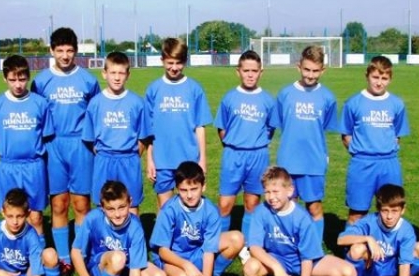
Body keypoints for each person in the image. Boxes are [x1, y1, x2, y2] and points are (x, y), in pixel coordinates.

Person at [30, 27, 100, 273]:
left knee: (81, 204)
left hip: (81, 145)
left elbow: (96, 112)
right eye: (60, 50)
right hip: (53, 145)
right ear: (52, 51)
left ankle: (81, 254)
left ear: (76, 51)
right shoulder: (40, 81)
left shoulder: (88, 80)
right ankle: (63, 258)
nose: (65, 56)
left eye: (69, 50)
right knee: (58, 204)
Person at [243, 167, 356, 276]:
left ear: (289, 191)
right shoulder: (261, 211)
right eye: (267, 192)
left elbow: (307, 258)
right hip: (277, 258)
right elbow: (254, 248)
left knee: (349, 274)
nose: (271, 197)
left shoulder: (301, 217)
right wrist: (277, 268)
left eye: (276, 191)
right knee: (250, 270)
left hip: (301, 260)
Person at [70, 181, 168, 276]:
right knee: (118, 258)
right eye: (110, 209)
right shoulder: (93, 218)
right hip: (100, 267)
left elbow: (135, 269)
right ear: (102, 207)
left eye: (122, 207)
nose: (117, 214)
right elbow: (76, 252)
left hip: (125, 267)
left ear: (130, 202)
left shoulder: (135, 227)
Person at [150, 161, 244, 276]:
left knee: (236, 238)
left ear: (203, 186)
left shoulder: (210, 211)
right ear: (177, 188)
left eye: (194, 189)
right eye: (183, 190)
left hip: (196, 253)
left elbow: (209, 251)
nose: (189, 195)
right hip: (171, 257)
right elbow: (162, 251)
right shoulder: (169, 210)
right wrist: (186, 265)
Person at [273, 45, 340, 246]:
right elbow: (281, 123)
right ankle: (288, 248)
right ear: (299, 67)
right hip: (288, 160)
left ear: (323, 70)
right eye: (306, 69)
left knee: (314, 207)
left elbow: (325, 126)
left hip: (314, 162)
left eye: (315, 71)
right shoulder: (285, 94)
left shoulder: (328, 97)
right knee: (287, 206)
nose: (310, 75)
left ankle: (314, 248)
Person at [337, 184, 419, 276]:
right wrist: (368, 239)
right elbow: (341, 240)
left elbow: (405, 263)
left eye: (394, 211)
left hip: (393, 269)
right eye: (385, 210)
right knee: (357, 249)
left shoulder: (406, 230)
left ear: (403, 210)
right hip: (370, 268)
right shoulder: (369, 221)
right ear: (378, 209)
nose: (389, 216)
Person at [0, 54, 54, 234]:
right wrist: (7, 158)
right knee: (11, 216)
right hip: (8, 167)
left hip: (34, 167)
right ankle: (13, 251)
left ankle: (38, 251)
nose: (18, 85)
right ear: (5, 78)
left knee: (35, 217)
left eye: (22, 79)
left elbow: (46, 137)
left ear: (28, 77)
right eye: (12, 80)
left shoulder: (40, 103)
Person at [338, 55, 410, 224]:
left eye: (384, 79)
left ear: (390, 79)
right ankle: (352, 242)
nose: (379, 83)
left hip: (388, 164)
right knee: (357, 213)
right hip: (362, 164)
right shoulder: (353, 103)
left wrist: (385, 150)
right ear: (367, 75)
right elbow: (346, 134)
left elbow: (397, 135)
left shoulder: (397, 104)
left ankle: (386, 242)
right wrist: (359, 152)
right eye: (375, 77)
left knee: (391, 210)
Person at [214, 49, 276, 238]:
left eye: (254, 71)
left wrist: (255, 143)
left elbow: (270, 129)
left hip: (258, 156)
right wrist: (234, 144)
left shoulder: (268, 100)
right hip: (233, 155)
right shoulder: (229, 98)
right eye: (246, 70)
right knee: (225, 204)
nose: (250, 75)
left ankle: (247, 247)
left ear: (261, 72)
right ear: (238, 71)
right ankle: (220, 244)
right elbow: (222, 128)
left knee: (252, 203)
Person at [145, 37, 213, 208]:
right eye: (170, 63)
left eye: (178, 63)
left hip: (189, 160)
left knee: (190, 206)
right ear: (162, 60)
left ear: (185, 61)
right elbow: (148, 129)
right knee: (165, 209)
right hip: (162, 161)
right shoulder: (153, 89)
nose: (174, 67)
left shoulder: (195, 88)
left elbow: (200, 127)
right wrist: (150, 160)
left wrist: (202, 160)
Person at [82, 51, 150, 212]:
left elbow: (143, 137)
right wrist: (103, 154)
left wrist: (132, 155)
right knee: (103, 206)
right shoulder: (95, 103)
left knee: (131, 205)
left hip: (129, 160)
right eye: (113, 73)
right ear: (104, 73)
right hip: (104, 160)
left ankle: (133, 230)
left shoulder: (137, 102)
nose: (117, 77)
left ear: (128, 75)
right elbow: (89, 138)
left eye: (121, 73)